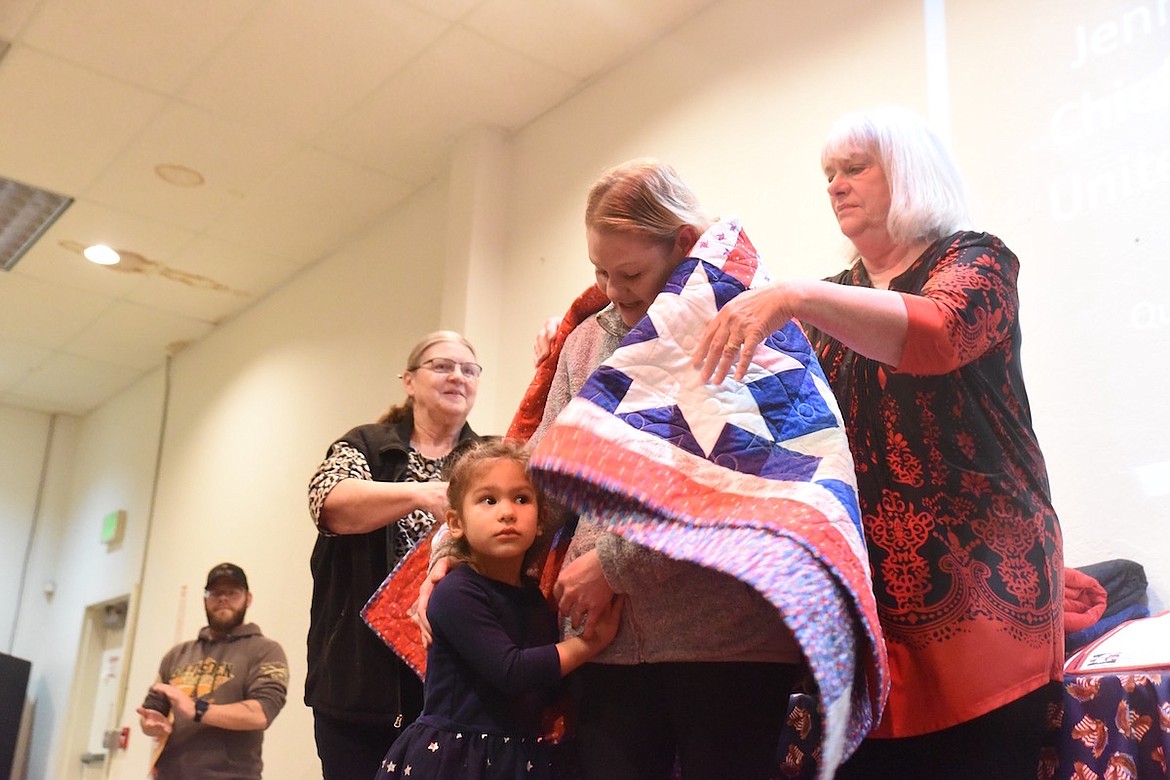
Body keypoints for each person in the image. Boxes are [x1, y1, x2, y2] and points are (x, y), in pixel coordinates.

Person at [694, 106, 1064, 778]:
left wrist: (794, 296)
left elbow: (938, 332)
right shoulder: (832, 297)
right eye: (828, 174)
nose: (835, 185)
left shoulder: (975, 258)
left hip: (984, 596)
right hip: (875, 615)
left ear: (910, 173)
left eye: (854, 168)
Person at [520, 159, 811, 780]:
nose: (614, 289)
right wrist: (456, 545)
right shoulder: (585, 341)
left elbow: (748, 488)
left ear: (683, 244)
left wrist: (618, 564)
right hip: (606, 646)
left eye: (630, 272)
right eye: (599, 271)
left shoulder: (745, 325)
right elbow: (547, 475)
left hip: (729, 644)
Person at [376, 439, 622, 780]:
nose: (507, 512)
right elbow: (512, 672)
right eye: (488, 500)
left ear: (540, 520)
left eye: (521, 499)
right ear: (456, 523)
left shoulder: (534, 597)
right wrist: (588, 645)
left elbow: (544, 685)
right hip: (455, 759)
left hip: (514, 757)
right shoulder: (456, 592)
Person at [306, 330, 484, 779]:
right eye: (442, 366)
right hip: (360, 690)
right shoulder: (367, 445)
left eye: (469, 369)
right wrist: (421, 494)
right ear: (409, 381)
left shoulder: (487, 459)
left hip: (457, 689)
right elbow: (331, 504)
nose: (457, 377)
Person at [136, 563, 289, 780]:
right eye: (216, 592)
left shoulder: (265, 650)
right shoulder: (177, 654)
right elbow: (153, 710)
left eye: (232, 592)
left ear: (248, 598)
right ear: (205, 600)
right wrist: (150, 724)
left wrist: (197, 710)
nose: (223, 598)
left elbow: (261, 713)